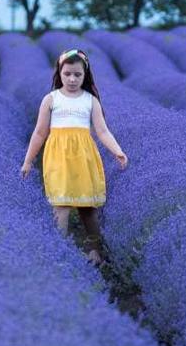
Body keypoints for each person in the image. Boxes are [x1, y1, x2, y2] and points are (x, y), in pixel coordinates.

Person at [20, 48, 128, 266]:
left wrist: (117, 150)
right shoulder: (50, 99)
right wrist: (28, 161)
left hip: (84, 157)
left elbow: (102, 131)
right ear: (59, 73)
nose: (72, 79)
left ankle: (95, 251)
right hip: (58, 158)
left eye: (77, 75)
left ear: (85, 75)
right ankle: (59, 253)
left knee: (87, 207)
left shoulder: (90, 100)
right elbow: (40, 132)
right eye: (67, 73)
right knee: (61, 205)